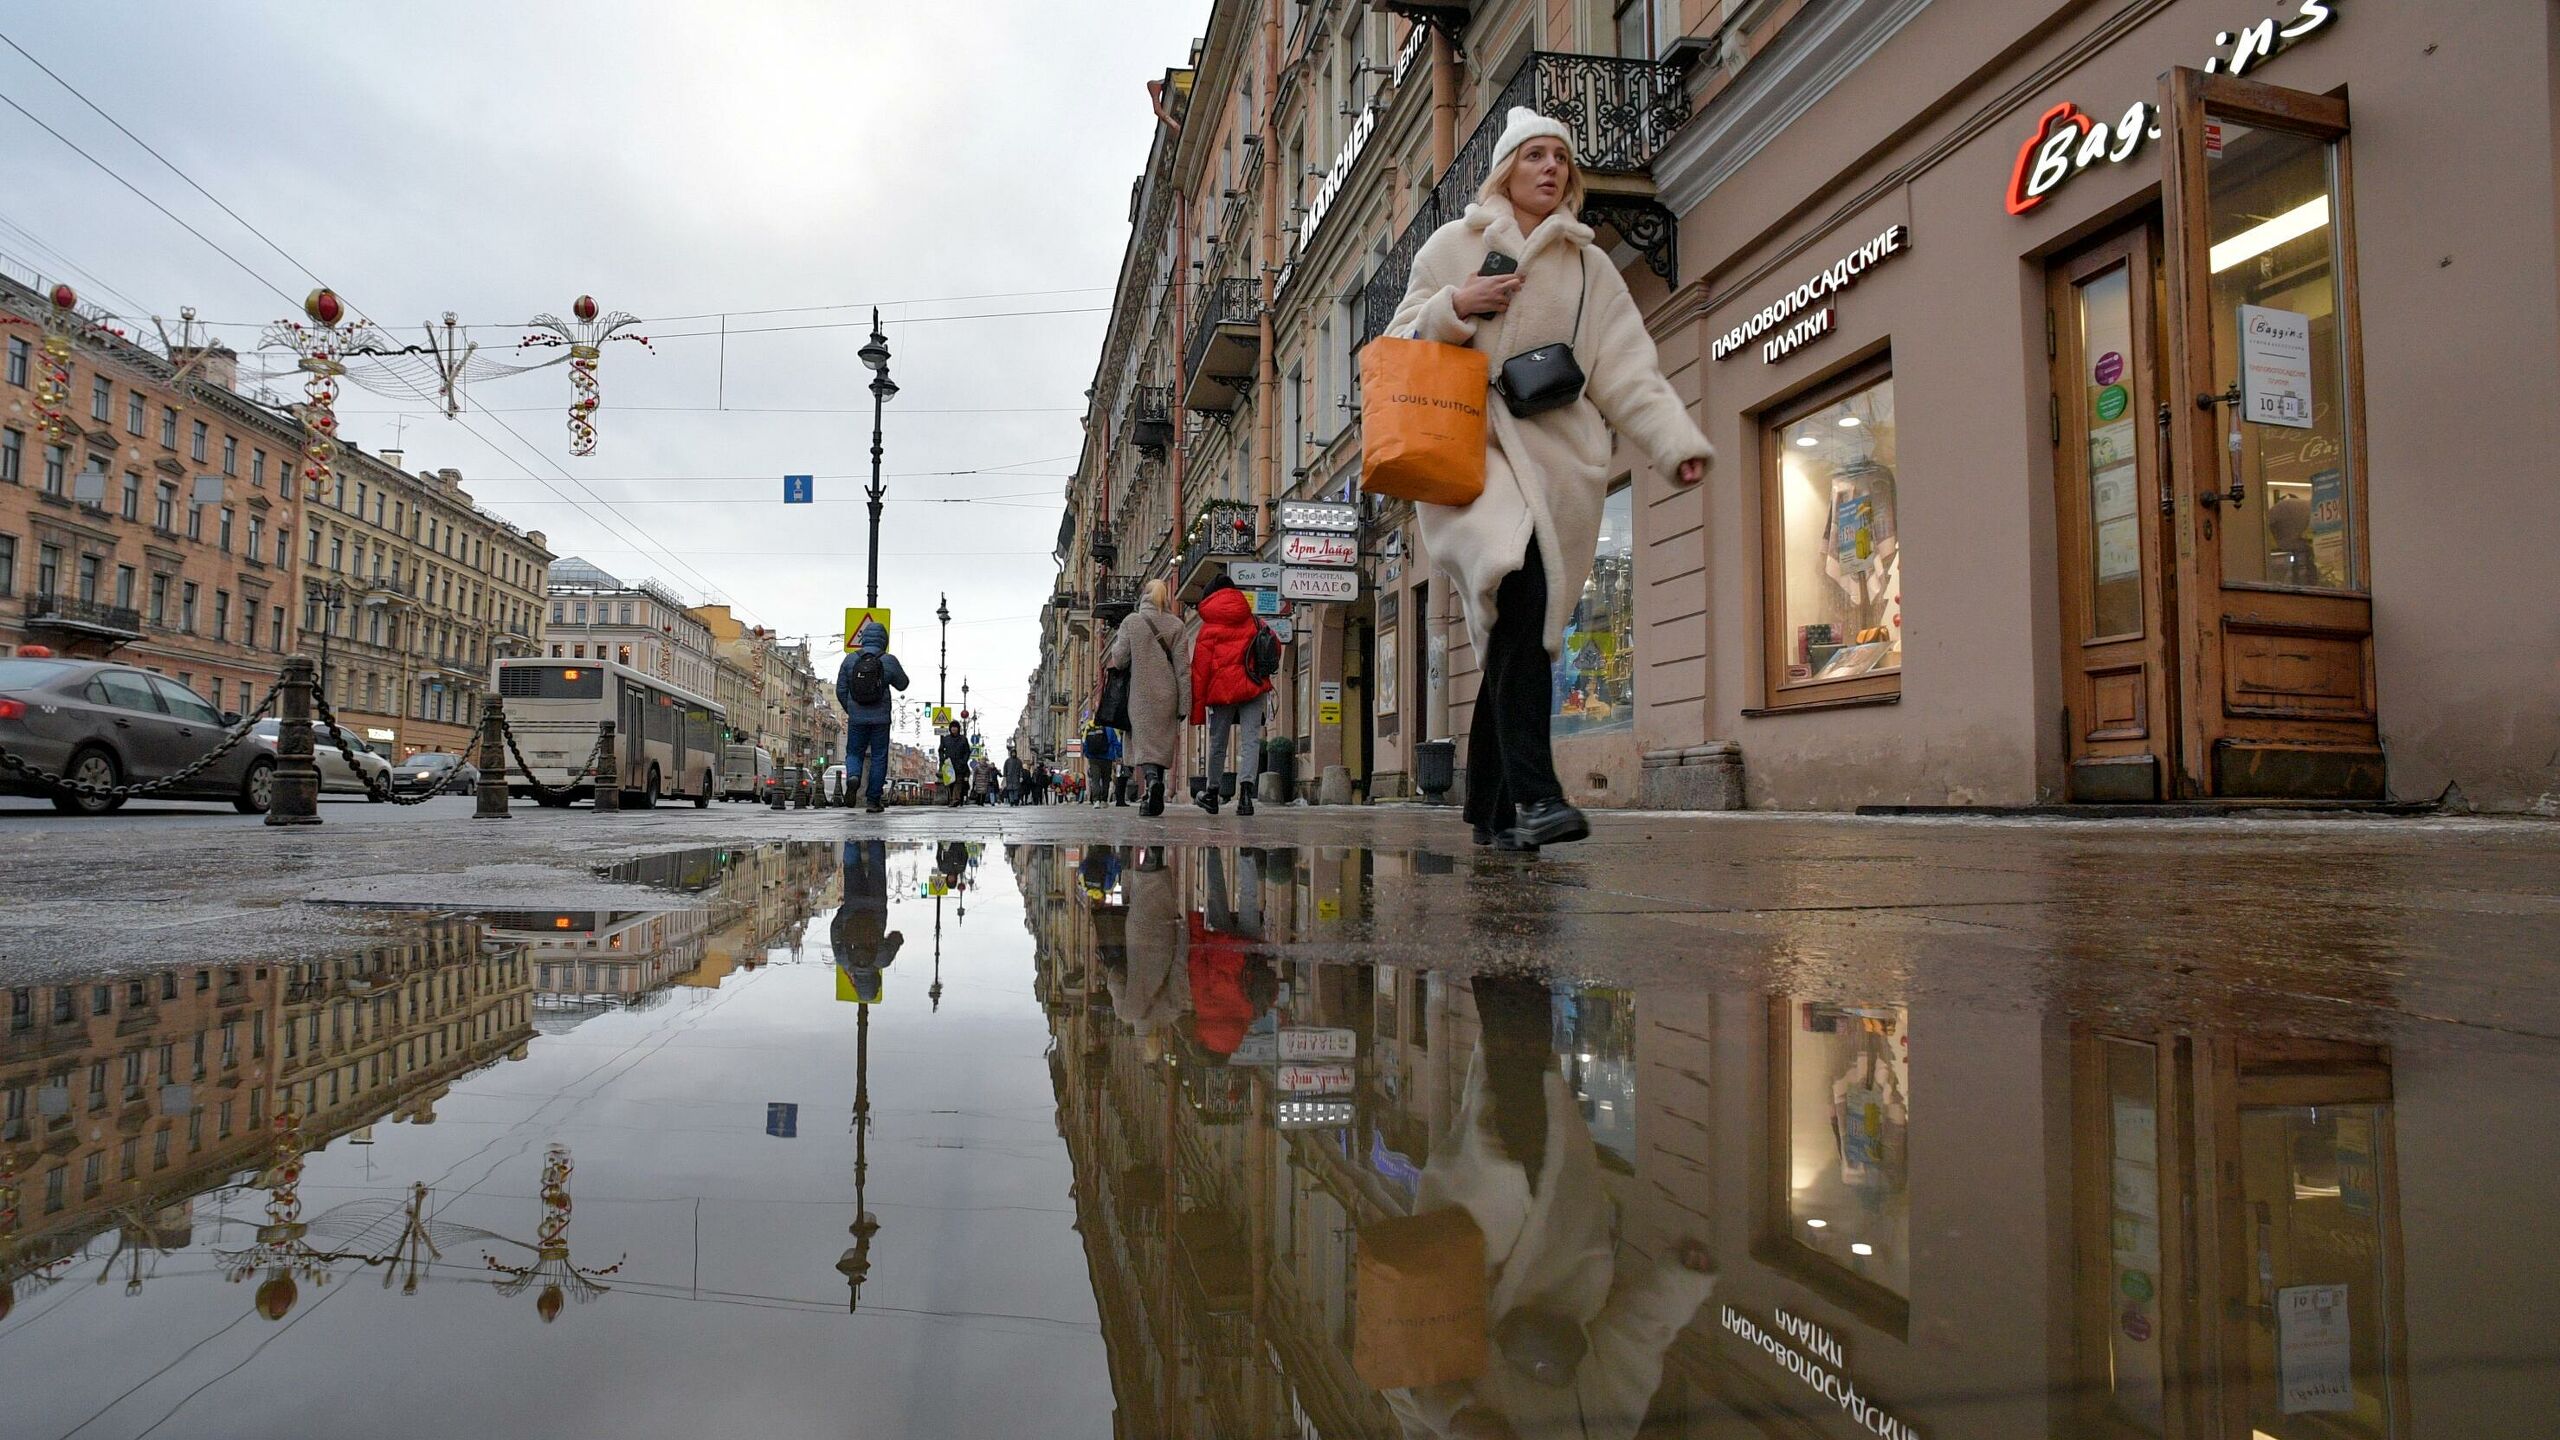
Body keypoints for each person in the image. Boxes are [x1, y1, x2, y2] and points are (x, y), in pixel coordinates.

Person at [1390, 109, 1712, 851]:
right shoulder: (1453, 247)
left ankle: (1489, 808)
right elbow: (1394, 346)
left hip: (1559, 460)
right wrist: (1454, 307)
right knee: (1522, 586)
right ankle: (1538, 797)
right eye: (1534, 156)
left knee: (1521, 629)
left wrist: (1671, 441)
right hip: (1470, 457)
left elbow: (1628, 368)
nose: (1550, 169)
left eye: (1560, 159)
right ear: (1507, 168)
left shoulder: (1588, 266)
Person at [1185, 573, 1274, 817]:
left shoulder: (1208, 629)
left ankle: (1213, 793)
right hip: (1253, 686)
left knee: (1218, 742)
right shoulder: (1253, 620)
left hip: (1222, 692)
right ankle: (1246, 795)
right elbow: (1273, 644)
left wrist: (1196, 711)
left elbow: (1200, 673)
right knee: (1251, 741)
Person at [1104, 578, 1190, 817]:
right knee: (1160, 745)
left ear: (1144, 597)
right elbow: (1183, 669)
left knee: (1144, 745)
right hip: (1168, 694)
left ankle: (1152, 782)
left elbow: (1119, 659)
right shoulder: (1176, 625)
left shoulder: (1131, 622)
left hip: (1140, 695)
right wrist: (1184, 704)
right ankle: (1153, 796)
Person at [833, 619, 911, 815]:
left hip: (857, 718)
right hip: (880, 719)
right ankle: (873, 800)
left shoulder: (850, 660)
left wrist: (851, 709)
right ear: (884, 640)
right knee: (879, 757)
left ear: (863, 638)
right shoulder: (888, 660)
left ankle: (853, 777)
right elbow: (903, 684)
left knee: (853, 752)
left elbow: (840, 689)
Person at [1080, 717, 1121, 808]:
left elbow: (1084, 742)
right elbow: (1116, 742)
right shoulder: (1111, 728)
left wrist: (1087, 754)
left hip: (1093, 758)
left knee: (1095, 780)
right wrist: (1119, 755)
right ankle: (1104, 800)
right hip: (1107, 758)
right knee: (1106, 779)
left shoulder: (1089, 726)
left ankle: (1096, 800)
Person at [936, 720, 972, 807]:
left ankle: (956, 799)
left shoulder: (963, 739)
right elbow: (941, 750)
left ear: (958, 729)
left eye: (955, 727)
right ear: (950, 729)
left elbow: (967, 751)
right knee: (950, 783)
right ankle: (952, 799)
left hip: (960, 764)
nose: (954, 729)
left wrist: (964, 761)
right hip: (949, 764)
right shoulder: (946, 739)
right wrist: (943, 759)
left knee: (958, 782)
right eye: (952, 727)